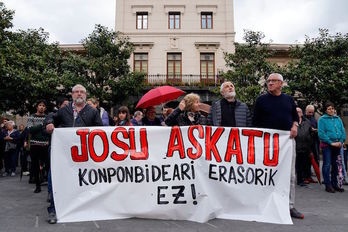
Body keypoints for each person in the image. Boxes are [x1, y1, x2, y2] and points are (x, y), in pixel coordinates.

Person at [45, 84, 103, 224]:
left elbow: (100, 131)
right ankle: (54, 210)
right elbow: (51, 118)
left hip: (84, 155)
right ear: (72, 95)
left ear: (85, 95)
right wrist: (49, 123)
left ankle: (82, 208)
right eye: (76, 92)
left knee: (83, 181)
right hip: (63, 154)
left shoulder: (92, 111)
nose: (79, 94)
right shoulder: (64, 110)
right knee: (56, 180)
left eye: (81, 92)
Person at [253, 73, 303, 219]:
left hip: (286, 142)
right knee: (267, 174)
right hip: (267, 143)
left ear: (281, 83)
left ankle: (290, 206)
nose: (270, 83)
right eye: (268, 81)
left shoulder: (288, 99)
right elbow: (255, 124)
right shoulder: (261, 100)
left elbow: (295, 117)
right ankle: (266, 204)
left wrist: (295, 126)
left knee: (290, 175)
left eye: (273, 81)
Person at [318, 101, 346, 193]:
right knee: (327, 164)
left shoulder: (338, 119)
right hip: (327, 146)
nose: (331, 110)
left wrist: (341, 141)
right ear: (326, 110)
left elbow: (343, 131)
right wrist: (331, 142)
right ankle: (328, 185)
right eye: (329, 109)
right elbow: (321, 133)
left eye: (332, 108)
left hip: (337, 145)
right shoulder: (322, 119)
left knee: (335, 165)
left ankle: (334, 184)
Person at [27, 100, 50, 193]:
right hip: (35, 144)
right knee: (35, 166)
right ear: (37, 107)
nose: (41, 107)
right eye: (40, 105)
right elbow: (30, 129)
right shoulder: (31, 117)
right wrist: (41, 125)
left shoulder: (48, 117)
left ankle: (49, 187)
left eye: (43, 106)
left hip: (45, 144)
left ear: (45, 108)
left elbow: (48, 131)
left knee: (48, 165)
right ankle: (37, 185)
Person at [295, 108, 313, 187]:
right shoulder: (291, 122)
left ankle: (301, 180)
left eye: (299, 112)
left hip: (305, 146)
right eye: (296, 112)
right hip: (295, 146)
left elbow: (310, 133)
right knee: (295, 164)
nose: (298, 113)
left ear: (302, 113)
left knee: (302, 164)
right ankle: (295, 179)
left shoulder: (307, 122)